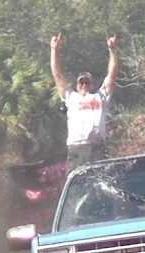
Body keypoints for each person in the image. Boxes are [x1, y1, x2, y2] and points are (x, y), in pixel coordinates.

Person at [51, 33, 119, 169]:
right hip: (76, 148)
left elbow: (112, 74)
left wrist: (113, 50)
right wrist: (54, 50)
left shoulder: (101, 96)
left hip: (97, 148)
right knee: (75, 183)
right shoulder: (71, 97)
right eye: (81, 82)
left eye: (86, 82)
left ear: (92, 85)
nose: (83, 85)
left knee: (102, 180)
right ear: (76, 85)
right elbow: (57, 74)